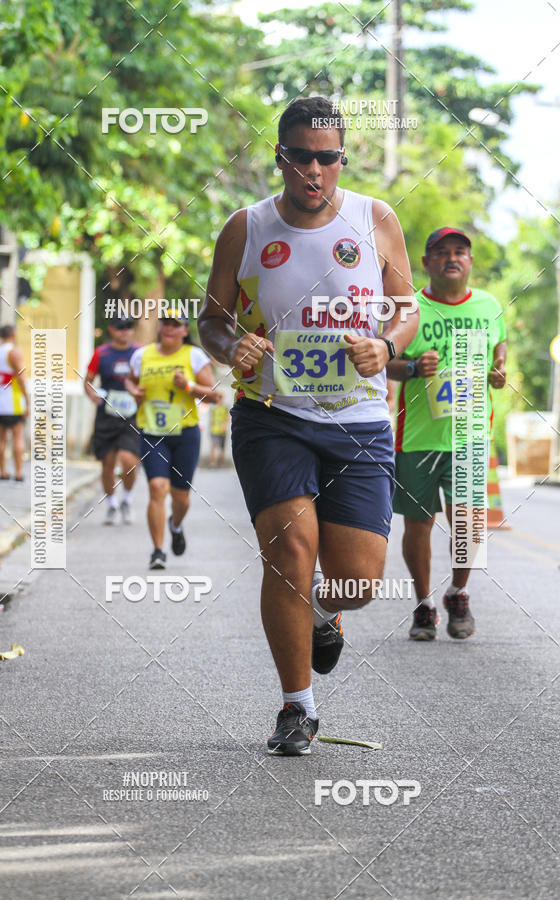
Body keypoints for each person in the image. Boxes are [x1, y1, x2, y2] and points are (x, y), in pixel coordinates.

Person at [198, 96, 418, 755]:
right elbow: (211, 317)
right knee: (288, 552)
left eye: (328, 158)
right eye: (301, 157)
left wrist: (387, 344)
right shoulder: (247, 227)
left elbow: (404, 306)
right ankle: (298, 707)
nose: (314, 171)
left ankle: (327, 612)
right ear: (281, 157)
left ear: (341, 159)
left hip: (358, 421)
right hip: (272, 416)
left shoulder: (375, 219)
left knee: (358, 578)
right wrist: (228, 343)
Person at [387, 227, 507, 641]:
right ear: (426, 263)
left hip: (470, 435)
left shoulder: (489, 306)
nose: (451, 258)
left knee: (468, 523)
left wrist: (499, 370)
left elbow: (500, 346)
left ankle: (458, 592)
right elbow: (387, 361)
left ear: (470, 262)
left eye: (460, 252)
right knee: (417, 524)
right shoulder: (410, 309)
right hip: (418, 436)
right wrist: (413, 368)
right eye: (441, 252)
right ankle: (423, 604)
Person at [126, 311, 222, 569]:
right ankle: (158, 551)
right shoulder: (142, 355)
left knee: (181, 497)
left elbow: (214, 396)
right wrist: (134, 391)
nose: (169, 328)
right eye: (165, 323)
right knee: (157, 487)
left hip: (185, 434)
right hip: (152, 432)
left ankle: (176, 525)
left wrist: (189, 386)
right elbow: (130, 381)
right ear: (159, 327)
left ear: (184, 331)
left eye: (175, 325)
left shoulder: (193, 355)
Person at [85, 315, 140, 525]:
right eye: (120, 327)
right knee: (107, 464)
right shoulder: (102, 353)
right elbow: (88, 381)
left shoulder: (139, 353)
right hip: (107, 416)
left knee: (129, 461)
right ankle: (112, 504)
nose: (124, 331)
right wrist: (92, 396)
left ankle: (127, 498)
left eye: (128, 327)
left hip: (132, 417)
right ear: (112, 330)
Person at [0, 325, 29, 481]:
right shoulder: (14, 351)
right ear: (13, 334)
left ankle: (2, 472)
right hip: (13, 400)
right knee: (17, 435)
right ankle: (18, 473)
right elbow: (21, 378)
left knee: (1, 437)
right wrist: (27, 400)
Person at [209, 398, 229, 467]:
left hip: (223, 431)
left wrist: (225, 425)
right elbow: (211, 418)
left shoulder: (225, 408)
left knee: (222, 447)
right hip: (214, 430)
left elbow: (227, 418)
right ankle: (213, 462)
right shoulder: (214, 408)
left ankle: (221, 463)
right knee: (214, 445)